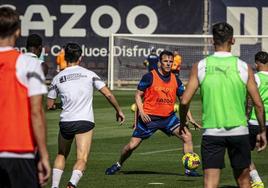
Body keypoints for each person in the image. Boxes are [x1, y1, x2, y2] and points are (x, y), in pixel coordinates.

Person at [179, 22, 267, 188]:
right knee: (244, 182)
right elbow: (258, 104)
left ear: (213, 40)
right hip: (239, 132)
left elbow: (184, 101)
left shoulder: (201, 66)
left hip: (212, 133)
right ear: (233, 40)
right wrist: (262, 131)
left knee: (210, 184)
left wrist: (183, 121)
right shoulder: (243, 67)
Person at [106, 50, 200, 176]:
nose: (168, 64)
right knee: (132, 146)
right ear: (160, 63)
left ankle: (189, 169)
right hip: (149, 119)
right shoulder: (149, 76)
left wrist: (190, 118)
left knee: (187, 136)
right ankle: (118, 164)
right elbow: (138, 95)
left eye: (170, 62)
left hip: (169, 118)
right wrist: (142, 112)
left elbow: (184, 100)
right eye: (165, 61)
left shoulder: (176, 80)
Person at [47, 43, 125, 188]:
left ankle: (54, 186)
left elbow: (50, 105)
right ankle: (72, 184)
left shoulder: (57, 77)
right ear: (80, 57)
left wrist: (61, 105)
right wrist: (118, 110)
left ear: (64, 57)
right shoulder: (90, 74)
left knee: (61, 154)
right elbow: (108, 94)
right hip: (84, 122)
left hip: (66, 122)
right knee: (81, 158)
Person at [0, 7, 50, 187]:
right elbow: (36, 112)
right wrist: (44, 155)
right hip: (19, 150)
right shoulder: (29, 64)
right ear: (18, 31)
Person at [248, 51, 268, 188]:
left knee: (242, 152)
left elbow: (250, 100)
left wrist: (245, 115)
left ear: (257, 63)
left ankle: (256, 180)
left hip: (255, 121)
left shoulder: (255, 78)